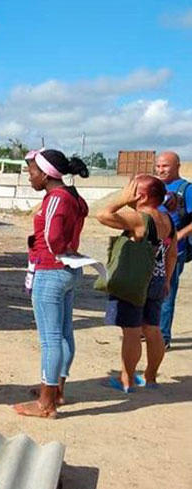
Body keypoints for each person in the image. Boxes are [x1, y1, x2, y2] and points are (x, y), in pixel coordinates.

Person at [13, 149, 89, 419]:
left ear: (46, 175)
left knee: (50, 339)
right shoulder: (72, 195)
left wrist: (59, 247)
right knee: (65, 333)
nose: (29, 177)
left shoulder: (55, 199)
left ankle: (46, 404)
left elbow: (54, 237)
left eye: (32, 172)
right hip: (66, 271)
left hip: (51, 269)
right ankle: (56, 389)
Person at [97, 175, 177, 391]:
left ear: (141, 195)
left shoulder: (140, 219)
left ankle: (127, 380)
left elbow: (103, 215)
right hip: (157, 278)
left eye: (131, 189)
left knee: (131, 332)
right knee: (152, 329)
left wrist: (121, 200)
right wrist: (167, 280)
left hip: (135, 281)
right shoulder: (167, 219)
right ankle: (150, 378)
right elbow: (172, 255)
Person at [155, 151, 192, 350]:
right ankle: (151, 331)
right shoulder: (156, 188)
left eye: (165, 166)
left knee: (166, 292)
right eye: (158, 166)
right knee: (149, 291)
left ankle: (163, 337)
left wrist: (179, 236)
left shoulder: (186, 189)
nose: (161, 170)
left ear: (177, 166)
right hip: (152, 249)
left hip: (174, 251)